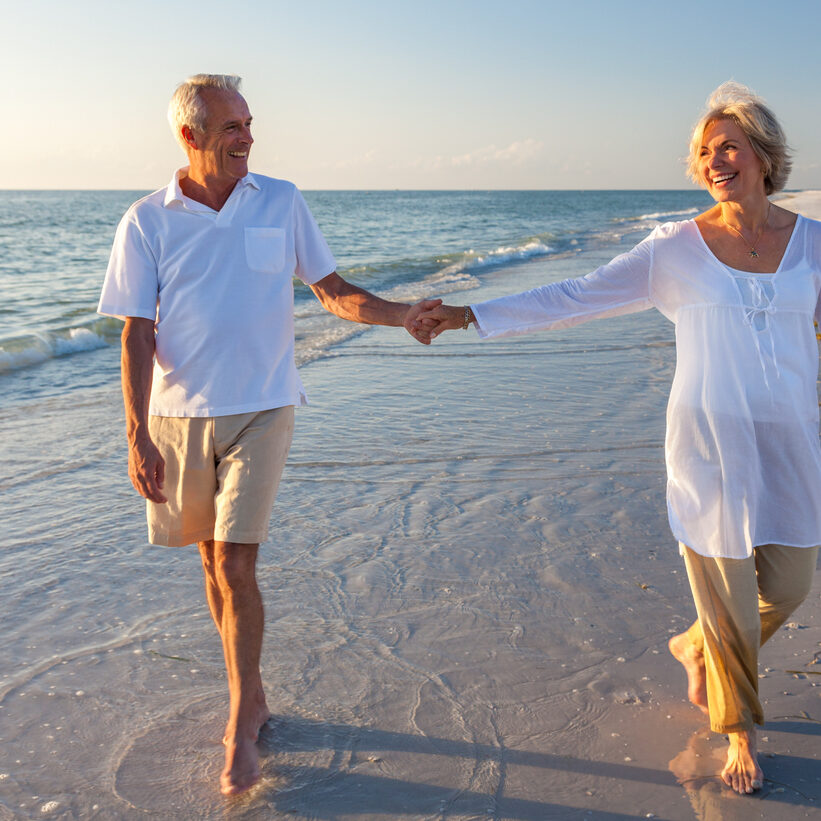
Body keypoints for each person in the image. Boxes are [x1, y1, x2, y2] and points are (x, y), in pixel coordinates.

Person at [413, 82, 821, 796]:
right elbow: (575, 295)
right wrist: (469, 314)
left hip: (790, 441)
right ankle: (737, 732)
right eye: (702, 152)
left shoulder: (813, 243)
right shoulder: (676, 248)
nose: (713, 161)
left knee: (788, 582)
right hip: (709, 444)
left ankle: (694, 645)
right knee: (725, 591)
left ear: (762, 153)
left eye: (727, 146)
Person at [98, 73, 438, 796]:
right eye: (231, 128)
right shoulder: (146, 220)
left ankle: (239, 716)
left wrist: (402, 312)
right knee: (209, 565)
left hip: (264, 406)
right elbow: (135, 333)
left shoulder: (279, 200)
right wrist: (136, 433)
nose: (247, 137)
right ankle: (248, 687)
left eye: (249, 123)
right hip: (176, 416)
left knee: (238, 565)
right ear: (190, 137)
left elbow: (331, 290)